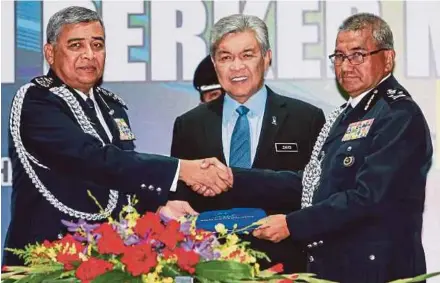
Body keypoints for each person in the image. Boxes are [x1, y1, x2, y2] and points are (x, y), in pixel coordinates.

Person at [3, 6, 232, 266]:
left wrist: (160, 207)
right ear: (50, 52)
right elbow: (93, 159)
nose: (89, 55)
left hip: (107, 260)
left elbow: (122, 174)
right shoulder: (37, 100)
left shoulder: (111, 106)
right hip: (46, 260)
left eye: (97, 45)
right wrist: (181, 169)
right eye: (76, 45)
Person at [219, 13, 433, 282]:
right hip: (338, 268)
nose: (346, 66)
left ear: (387, 59)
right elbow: (310, 184)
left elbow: (367, 198)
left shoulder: (398, 115)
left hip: (377, 272)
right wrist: (232, 176)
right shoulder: (346, 114)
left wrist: (291, 224)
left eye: (358, 55)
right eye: (340, 57)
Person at [170, 14, 325, 273]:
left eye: (247, 55)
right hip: (212, 268)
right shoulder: (189, 124)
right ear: (214, 63)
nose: (236, 67)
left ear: (266, 58)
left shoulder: (306, 119)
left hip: (286, 267)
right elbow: (180, 199)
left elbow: (319, 193)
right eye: (226, 57)